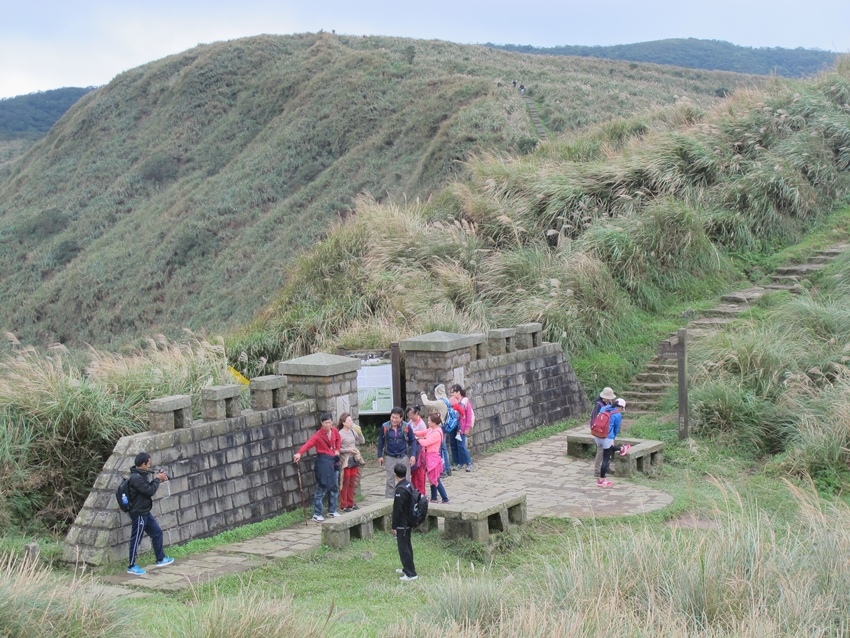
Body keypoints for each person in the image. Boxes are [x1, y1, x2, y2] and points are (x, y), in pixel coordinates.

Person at [126, 452, 174, 575]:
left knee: (157, 532)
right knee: (136, 539)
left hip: (145, 511)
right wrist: (158, 479)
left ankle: (160, 558)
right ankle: (131, 566)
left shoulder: (141, 474)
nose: (150, 464)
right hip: (139, 513)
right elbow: (149, 491)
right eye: (148, 462)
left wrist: (159, 478)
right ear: (143, 464)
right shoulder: (136, 478)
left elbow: (149, 488)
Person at [294, 413, 342, 522]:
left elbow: (339, 439)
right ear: (322, 423)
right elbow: (308, 444)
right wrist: (299, 453)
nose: (328, 425)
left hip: (334, 461)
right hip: (324, 462)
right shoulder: (318, 435)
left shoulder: (334, 431)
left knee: (334, 486)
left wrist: (337, 449)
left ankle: (332, 510)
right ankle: (317, 513)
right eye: (326, 423)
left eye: (330, 422)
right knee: (322, 486)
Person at [376, 406, 417, 498]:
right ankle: (389, 500)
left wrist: (413, 455)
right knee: (390, 479)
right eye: (392, 417)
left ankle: (407, 498)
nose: (393, 420)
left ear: (401, 418)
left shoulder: (406, 427)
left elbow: (413, 440)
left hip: (403, 456)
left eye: (396, 418)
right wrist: (379, 455)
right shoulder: (385, 426)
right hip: (390, 456)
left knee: (406, 479)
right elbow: (381, 442)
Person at [594, 398, 632, 488]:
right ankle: (602, 480)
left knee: (607, 447)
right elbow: (616, 429)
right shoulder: (617, 415)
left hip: (597, 435)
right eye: (622, 408)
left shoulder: (604, 408)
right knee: (606, 458)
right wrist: (613, 438)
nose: (621, 410)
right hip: (607, 436)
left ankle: (622, 448)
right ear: (620, 407)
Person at [414, 412, 450, 503]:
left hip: (432, 458)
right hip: (428, 457)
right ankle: (434, 498)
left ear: (434, 422)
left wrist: (417, 439)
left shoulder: (437, 433)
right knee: (431, 479)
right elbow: (422, 432)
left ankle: (445, 498)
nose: (428, 422)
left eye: (429, 421)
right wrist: (412, 432)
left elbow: (426, 442)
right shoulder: (431, 430)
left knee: (435, 479)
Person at [391, 463, 418, 581]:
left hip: (403, 523)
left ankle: (411, 574)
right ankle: (406, 568)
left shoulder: (400, 490)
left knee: (404, 548)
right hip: (409, 521)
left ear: (394, 474)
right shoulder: (408, 484)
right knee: (407, 545)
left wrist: (394, 526)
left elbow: (397, 510)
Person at [420, 384, 452, 476]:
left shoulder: (440, 402)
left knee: (440, 449)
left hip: (440, 427)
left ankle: (443, 470)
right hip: (444, 426)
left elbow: (427, 403)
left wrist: (423, 394)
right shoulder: (446, 400)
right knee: (444, 448)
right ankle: (447, 468)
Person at [337, 412, 365, 512]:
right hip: (345, 460)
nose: (351, 422)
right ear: (343, 423)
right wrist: (348, 450)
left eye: (351, 420)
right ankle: (344, 504)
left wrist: (360, 432)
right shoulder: (340, 433)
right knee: (346, 482)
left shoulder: (353, 431)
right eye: (349, 421)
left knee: (352, 482)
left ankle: (351, 502)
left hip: (354, 458)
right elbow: (338, 449)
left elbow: (362, 441)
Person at [590, 387, 617, 477]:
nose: (610, 399)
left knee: (608, 450)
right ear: (603, 397)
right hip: (600, 432)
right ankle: (597, 470)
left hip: (608, 432)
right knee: (600, 452)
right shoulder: (599, 405)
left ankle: (606, 467)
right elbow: (595, 419)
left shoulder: (609, 403)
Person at [449, 384, 475, 472]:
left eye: (453, 392)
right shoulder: (452, 401)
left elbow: (468, 415)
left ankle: (469, 463)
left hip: (461, 426)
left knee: (461, 445)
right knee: (453, 444)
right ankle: (458, 462)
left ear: (458, 392)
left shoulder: (465, 401)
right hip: (453, 425)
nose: (452, 394)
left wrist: (467, 427)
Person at [407, 405, 428, 496]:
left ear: (416, 414)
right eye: (409, 415)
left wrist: (414, 437)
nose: (410, 416)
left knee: (420, 472)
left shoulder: (422, 424)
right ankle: (414, 491)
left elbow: (424, 436)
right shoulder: (410, 422)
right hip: (412, 448)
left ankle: (421, 492)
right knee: (413, 471)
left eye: (411, 414)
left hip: (420, 450)